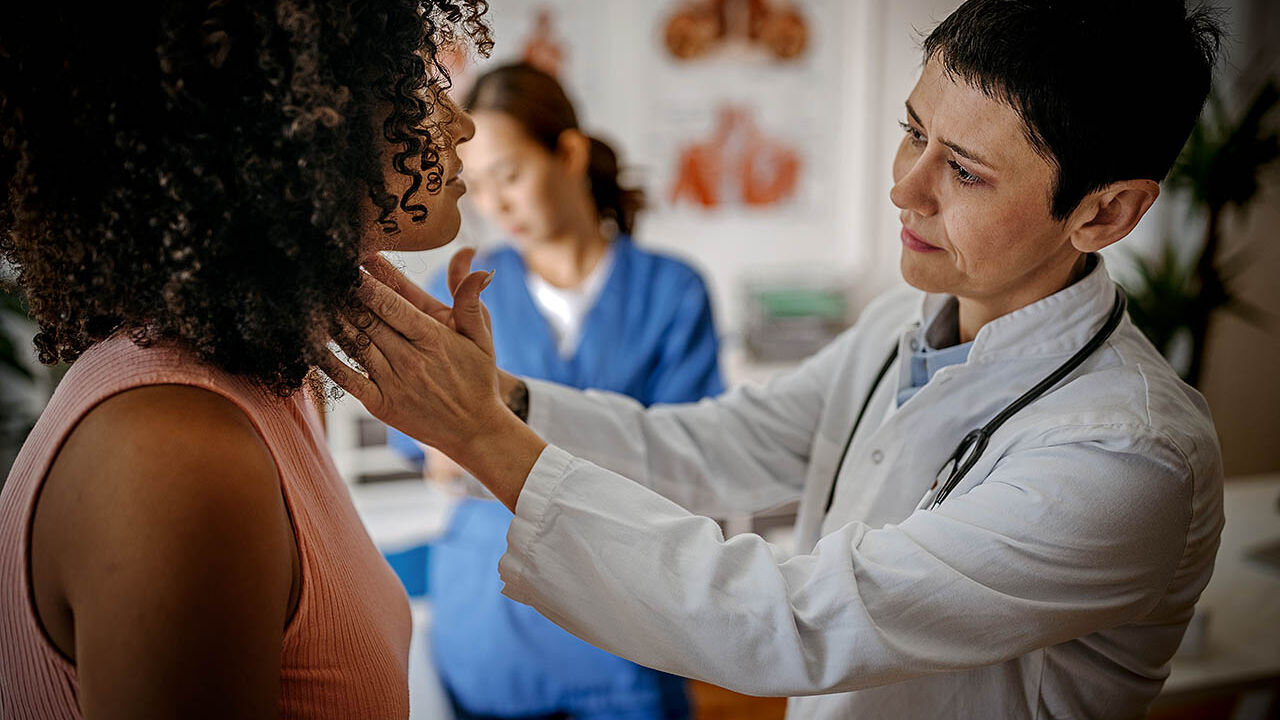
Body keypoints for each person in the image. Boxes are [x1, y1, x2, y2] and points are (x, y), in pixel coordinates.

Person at [326, 0, 1226, 717]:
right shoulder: (901, 325)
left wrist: (481, 436)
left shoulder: (1124, 457)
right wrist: (505, 400)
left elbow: (794, 619)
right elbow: (715, 447)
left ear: (1105, 213)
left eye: (964, 171)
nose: (902, 188)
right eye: (913, 131)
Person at [0, 2, 490, 718]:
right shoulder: (174, 452)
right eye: (415, 81)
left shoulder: (257, 386)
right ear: (290, 126)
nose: (460, 123)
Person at [389, 63, 721, 720]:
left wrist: (493, 440)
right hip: (491, 621)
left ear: (567, 153)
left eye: (508, 175)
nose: (493, 205)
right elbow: (438, 460)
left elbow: (690, 465)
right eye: (474, 185)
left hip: (626, 620)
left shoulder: (672, 291)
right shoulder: (456, 292)